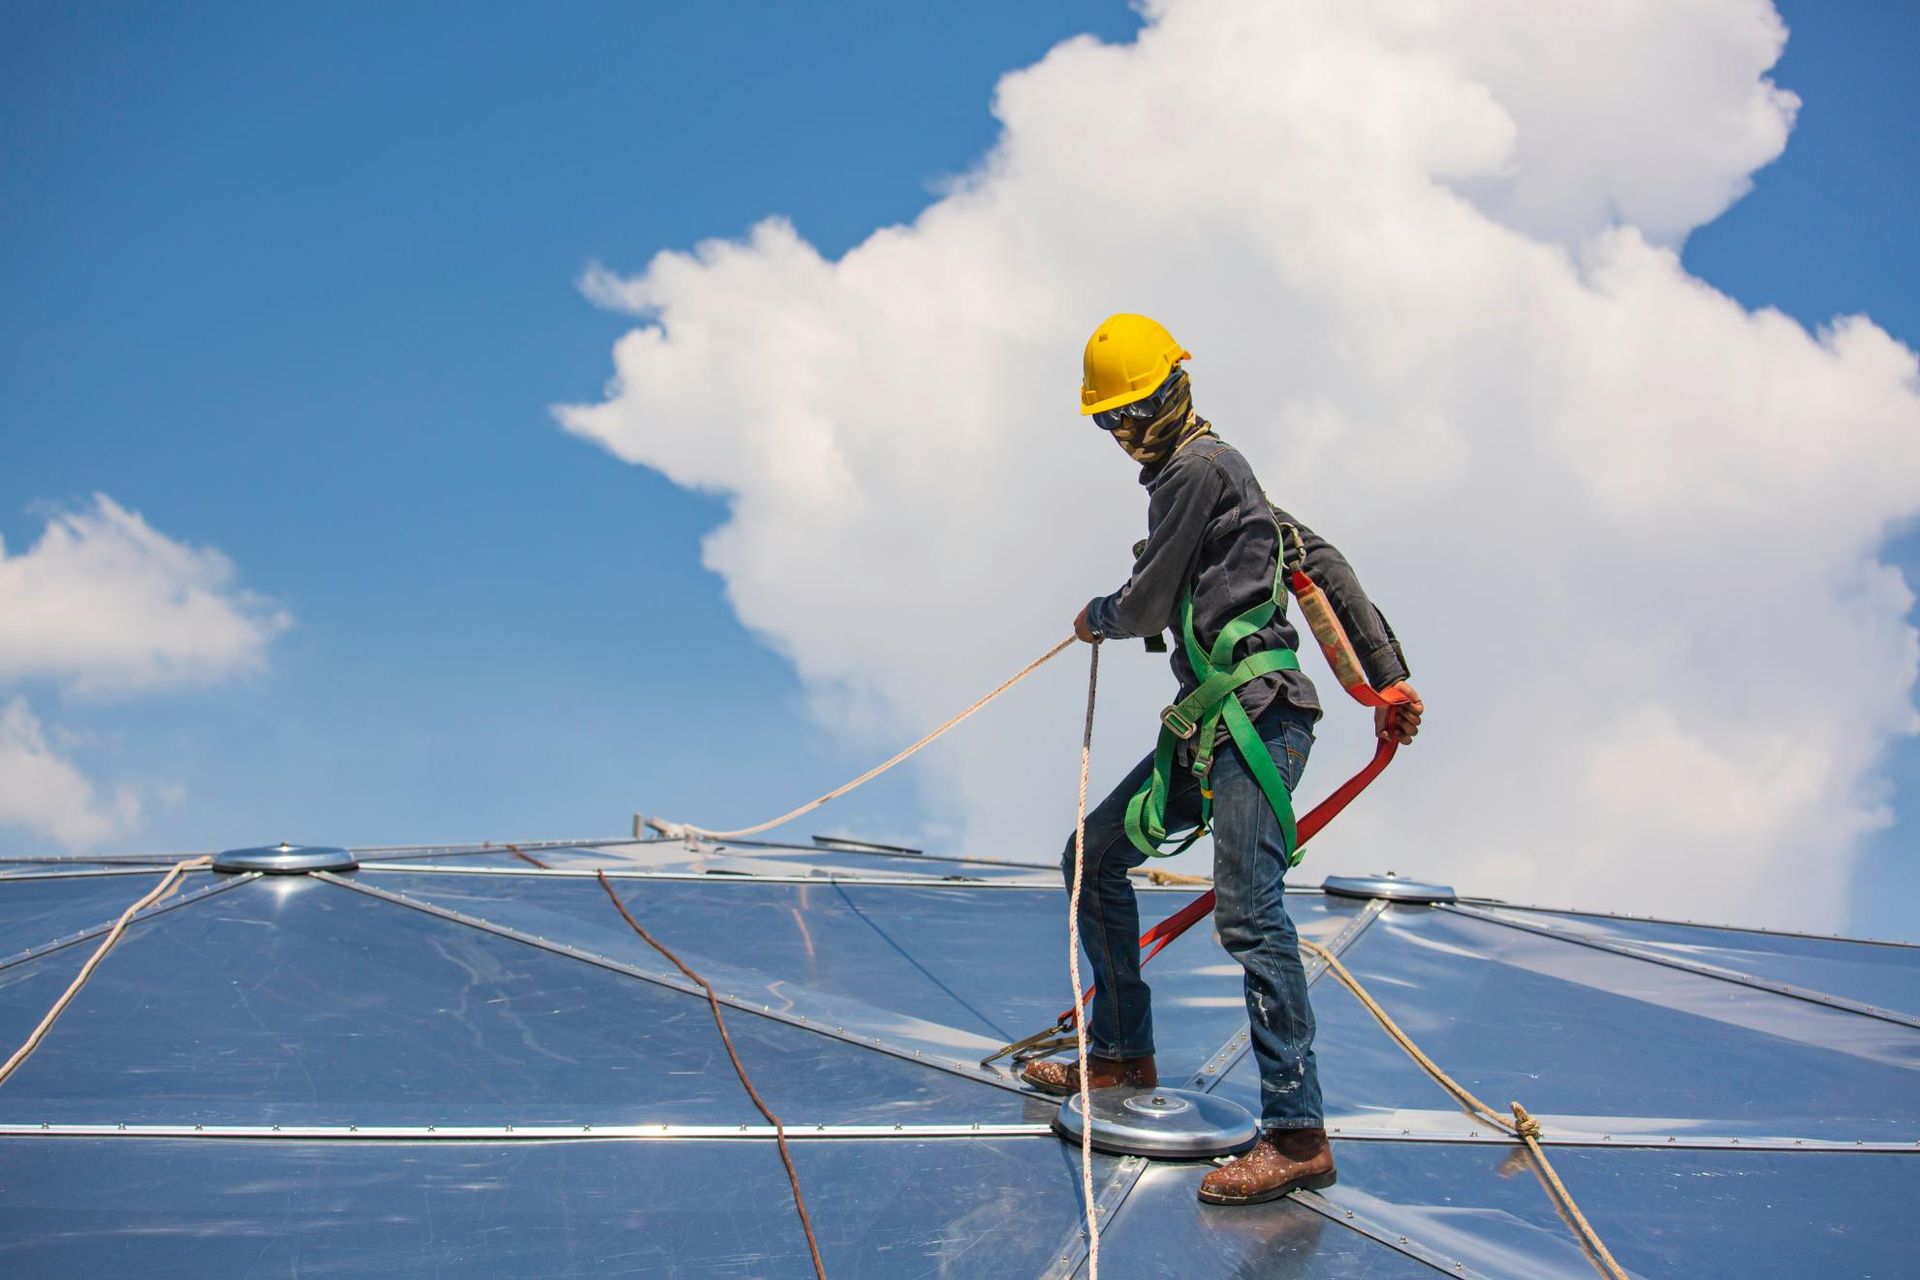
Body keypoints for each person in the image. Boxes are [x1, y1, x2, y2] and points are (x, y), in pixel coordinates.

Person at [1021, 313, 1423, 1205]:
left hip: (1258, 718)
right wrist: (1384, 679)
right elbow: (1321, 560)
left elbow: (1154, 593)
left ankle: (1297, 1134)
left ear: (1176, 393)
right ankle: (1121, 1054)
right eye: (1111, 421)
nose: (1128, 433)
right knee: (1093, 859)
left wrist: (1103, 613)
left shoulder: (1199, 470)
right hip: (1215, 723)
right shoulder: (1226, 481)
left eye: (1136, 411)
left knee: (1248, 913)